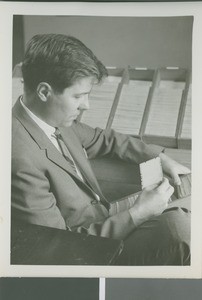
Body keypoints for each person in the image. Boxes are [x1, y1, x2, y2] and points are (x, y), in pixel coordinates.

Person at [12, 34, 191, 265]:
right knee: (182, 231)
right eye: (79, 96)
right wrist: (138, 213)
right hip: (90, 251)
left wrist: (160, 157)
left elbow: (104, 139)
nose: (87, 105)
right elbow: (56, 247)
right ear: (45, 92)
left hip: (106, 219)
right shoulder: (18, 158)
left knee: (186, 202)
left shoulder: (53, 118)